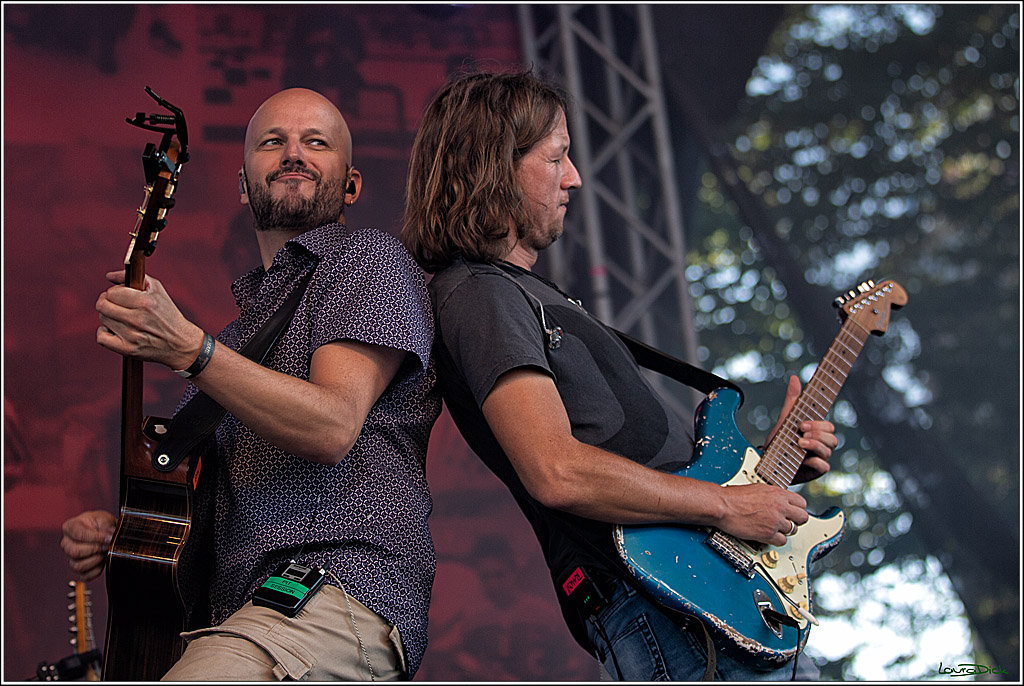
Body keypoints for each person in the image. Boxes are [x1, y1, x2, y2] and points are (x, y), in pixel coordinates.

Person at [400, 69, 837, 681]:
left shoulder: (522, 294)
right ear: (495, 168)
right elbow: (556, 469)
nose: (574, 177)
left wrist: (764, 472)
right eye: (556, 158)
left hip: (699, 605)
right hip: (661, 611)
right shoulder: (479, 293)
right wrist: (723, 505)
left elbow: (638, 464)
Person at [60, 88, 439, 681]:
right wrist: (132, 537)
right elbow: (203, 518)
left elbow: (332, 423)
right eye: (273, 142)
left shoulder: (369, 262)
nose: (293, 153)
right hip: (243, 616)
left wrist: (191, 349)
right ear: (242, 184)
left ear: (352, 185)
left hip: (337, 591)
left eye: (316, 142)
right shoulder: (237, 339)